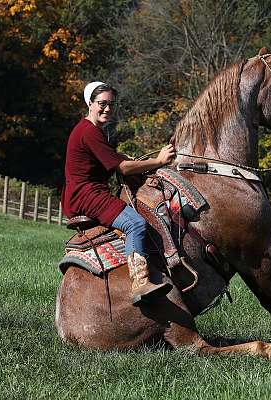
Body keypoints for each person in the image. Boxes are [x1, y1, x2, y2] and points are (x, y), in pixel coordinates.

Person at [62, 81, 174, 305]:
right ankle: (140, 283)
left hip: (86, 192)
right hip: (87, 195)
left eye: (111, 104)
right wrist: (159, 161)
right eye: (102, 103)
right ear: (90, 104)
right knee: (135, 224)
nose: (107, 109)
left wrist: (139, 162)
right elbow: (121, 168)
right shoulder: (89, 131)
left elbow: (114, 157)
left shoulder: (92, 130)